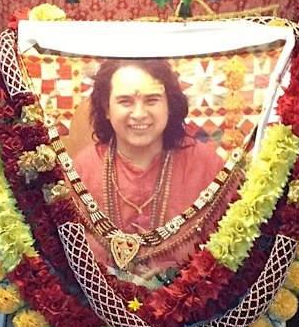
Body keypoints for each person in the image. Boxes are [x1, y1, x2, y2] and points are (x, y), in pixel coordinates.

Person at [72, 57, 232, 276]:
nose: (139, 114)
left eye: (152, 100)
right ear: (106, 109)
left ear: (169, 105)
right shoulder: (81, 170)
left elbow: (233, 254)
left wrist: (175, 279)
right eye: (125, 101)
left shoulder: (206, 165)